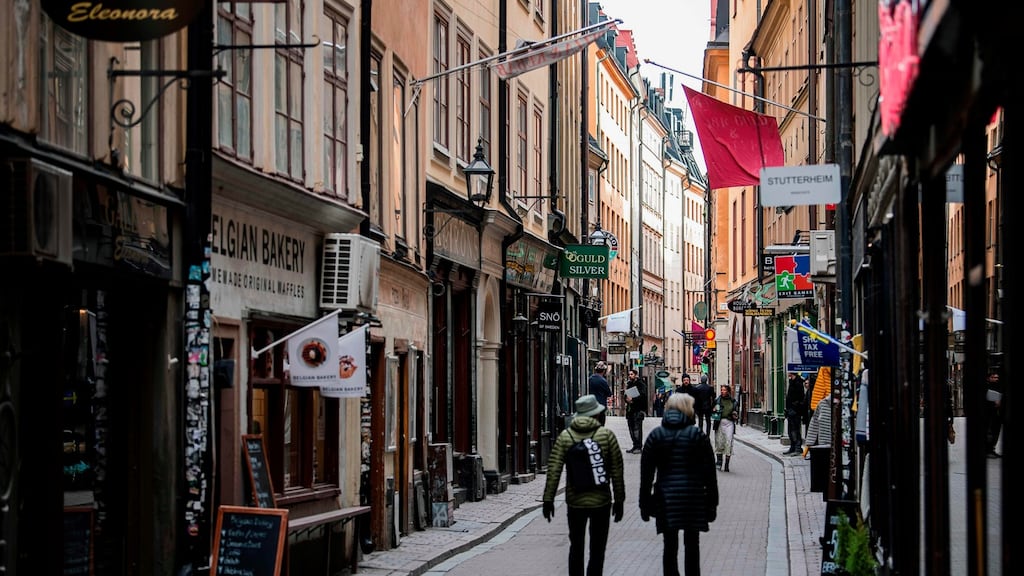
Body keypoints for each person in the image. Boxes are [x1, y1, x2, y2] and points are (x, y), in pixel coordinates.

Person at [542, 394, 626, 576]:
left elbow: (554, 469)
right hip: (601, 501)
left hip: (575, 501)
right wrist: (619, 500)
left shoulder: (566, 436)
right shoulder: (606, 435)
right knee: (597, 549)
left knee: (576, 547)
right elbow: (617, 471)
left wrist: (548, 499)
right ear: (596, 415)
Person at [638, 393, 719, 576]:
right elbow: (710, 475)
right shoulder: (697, 435)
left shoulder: (656, 436)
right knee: (692, 547)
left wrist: (644, 504)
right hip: (694, 498)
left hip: (666, 499)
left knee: (669, 547)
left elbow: (646, 476)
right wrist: (712, 504)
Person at [712, 385, 739, 471]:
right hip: (719, 423)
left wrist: (735, 414)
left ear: (728, 391)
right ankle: (719, 462)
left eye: (724, 390)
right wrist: (713, 410)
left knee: (728, 442)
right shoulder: (717, 400)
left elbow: (736, 411)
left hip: (729, 423)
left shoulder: (733, 401)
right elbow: (712, 409)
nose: (722, 391)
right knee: (719, 442)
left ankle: (727, 465)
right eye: (721, 390)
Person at [623, 369, 648, 453]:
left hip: (638, 409)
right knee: (631, 428)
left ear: (636, 375)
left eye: (632, 374)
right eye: (629, 374)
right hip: (630, 410)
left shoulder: (641, 384)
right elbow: (626, 395)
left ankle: (638, 447)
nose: (630, 376)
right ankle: (634, 445)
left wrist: (633, 399)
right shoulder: (629, 384)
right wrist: (627, 399)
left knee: (637, 428)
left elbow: (643, 396)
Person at [784, 372, 806, 455]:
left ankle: (798, 447)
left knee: (795, 430)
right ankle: (792, 447)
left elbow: (800, 397)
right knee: (791, 430)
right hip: (790, 410)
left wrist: (794, 407)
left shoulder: (798, 382)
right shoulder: (792, 381)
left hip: (795, 411)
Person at [985, 369, 1003, 457]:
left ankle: (991, 449)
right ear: (988, 378)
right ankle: (988, 450)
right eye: (993, 377)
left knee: (996, 431)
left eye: (997, 377)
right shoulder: (986, 388)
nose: (996, 379)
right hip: (989, 413)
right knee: (989, 432)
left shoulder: (999, 387)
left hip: (997, 414)